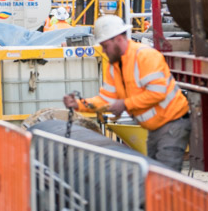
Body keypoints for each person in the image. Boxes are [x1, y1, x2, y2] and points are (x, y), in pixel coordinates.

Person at [63, 14, 191, 172]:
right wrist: (78, 105)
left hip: (172, 123)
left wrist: (124, 104)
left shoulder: (146, 56)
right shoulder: (115, 66)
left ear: (118, 39)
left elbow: (158, 93)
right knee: (155, 174)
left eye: (105, 46)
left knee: (164, 176)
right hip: (156, 127)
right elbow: (105, 100)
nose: (104, 51)